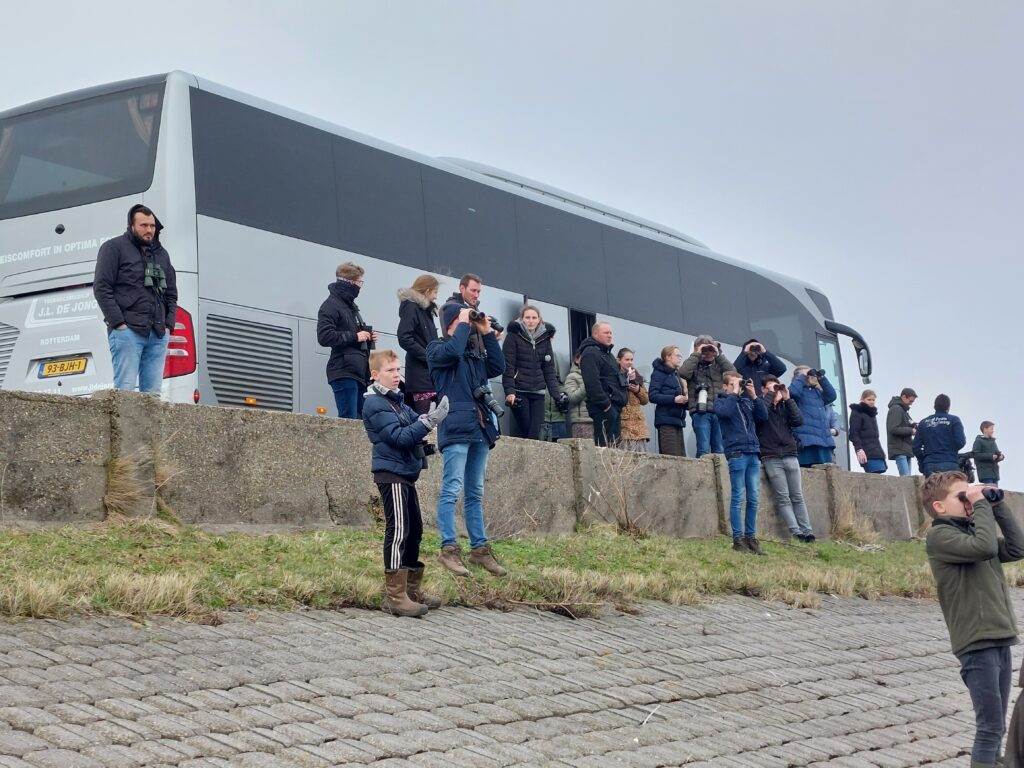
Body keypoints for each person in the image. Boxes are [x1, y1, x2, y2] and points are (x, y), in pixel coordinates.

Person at [923, 472, 1024, 768]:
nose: (970, 500)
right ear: (939, 507)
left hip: (998, 637)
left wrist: (998, 504)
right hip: (976, 643)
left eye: (970, 494)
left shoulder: (973, 533)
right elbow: (985, 547)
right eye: (962, 496)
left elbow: (1018, 548)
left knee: (998, 726)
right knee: (990, 727)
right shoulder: (941, 537)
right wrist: (980, 504)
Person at [361, 349, 450, 617]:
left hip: (405, 473)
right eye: (390, 370)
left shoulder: (397, 401)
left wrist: (426, 422)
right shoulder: (375, 403)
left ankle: (411, 590)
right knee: (399, 530)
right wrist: (428, 421)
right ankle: (395, 596)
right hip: (391, 474)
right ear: (375, 375)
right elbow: (399, 437)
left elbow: (415, 428)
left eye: (398, 370)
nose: (397, 375)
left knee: (414, 531)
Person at [427, 301, 507, 577]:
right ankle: (448, 549)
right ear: (452, 322)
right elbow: (452, 351)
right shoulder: (437, 348)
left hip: (480, 426)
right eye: (463, 322)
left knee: (475, 491)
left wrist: (486, 333)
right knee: (452, 488)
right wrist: (462, 321)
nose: (468, 326)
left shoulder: (474, 352)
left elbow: (497, 366)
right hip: (456, 426)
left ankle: (479, 550)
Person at [93, 204, 178, 394]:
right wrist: (118, 323)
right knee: (125, 391)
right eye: (143, 225)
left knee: (153, 394)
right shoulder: (113, 248)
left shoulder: (162, 255)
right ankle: (123, 426)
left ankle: (149, 426)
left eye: (152, 226)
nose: (149, 230)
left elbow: (171, 294)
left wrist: (168, 325)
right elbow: (101, 287)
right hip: (127, 331)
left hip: (157, 333)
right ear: (131, 226)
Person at [757, 374, 815, 543]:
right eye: (771, 388)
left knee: (797, 496)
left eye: (777, 388)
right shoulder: (760, 405)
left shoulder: (785, 406)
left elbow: (798, 421)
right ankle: (796, 532)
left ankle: (808, 531)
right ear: (763, 390)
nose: (776, 391)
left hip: (790, 454)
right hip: (771, 456)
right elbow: (760, 417)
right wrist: (770, 396)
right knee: (783, 497)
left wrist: (788, 399)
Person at [716, 372, 768, 554]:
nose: (736, 387)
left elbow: (763, 417)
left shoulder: (746, 402)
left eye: (738, 383)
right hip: (737, 452)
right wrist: (733, 393)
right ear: (725, 386)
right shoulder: (721, 401)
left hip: (753, 452)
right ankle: (738, 539)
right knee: (738, 496)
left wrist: (754, 395)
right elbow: (725, 413)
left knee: (753, 498)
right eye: (732, 384)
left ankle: (751, 538)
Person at [317, 262, 377, 419]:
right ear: (349, 283)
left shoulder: (349, 306)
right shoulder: (330, 305)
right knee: (349, 420)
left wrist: (366, 337)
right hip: (344, 370)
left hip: (357, 371)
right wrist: (356, 336)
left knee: (361, 421)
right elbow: (324, 337)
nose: (360, 286)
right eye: (359, 282)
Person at [502, 305, 566, 440]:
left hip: (538, 393)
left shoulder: (545, 339)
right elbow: (508, 366)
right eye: (527, 317)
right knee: (526, 429)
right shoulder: (513, 336)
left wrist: (557, 396)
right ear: (522, 319)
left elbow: (549, 370)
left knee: (535, 432)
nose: (530, 320)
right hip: (519, 391)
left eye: (534, 318)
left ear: (539, 320)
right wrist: (510, 391)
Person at [679, 335, 735, 457]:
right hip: (700, 412)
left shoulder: (718, 364)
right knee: (703, 448)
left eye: (711, 350)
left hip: (718, 411)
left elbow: (733, 373)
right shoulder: (694, 364)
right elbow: (683, 372)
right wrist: (697, 354)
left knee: (719, 449)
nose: (709, 353)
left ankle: (719, 476)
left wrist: (719, 354)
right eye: (706, 350)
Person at [397, 274, 441, 415]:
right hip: (420, 376)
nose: (436, 297)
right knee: (425, 418)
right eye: (435, 292)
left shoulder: (425, 310)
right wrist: (427, 356)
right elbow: (404, 337)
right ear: (427, 291)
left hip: (429, 374)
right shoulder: (412, 308)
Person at [578, 322, 628, 447]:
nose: (610, 336)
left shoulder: (608, 355)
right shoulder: (590, 353)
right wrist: (606, 405)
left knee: (614, 448)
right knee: (604, 447)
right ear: (595, 334)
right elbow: (592, 382)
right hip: (604, 408)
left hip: (614, 408)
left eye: (611, 333)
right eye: (606, 333)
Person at [789, 366, 837, 468]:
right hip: (806, 441)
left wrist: (821, 378)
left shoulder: (817, 392)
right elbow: (792, 392)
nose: (810, 376)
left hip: (822, 441)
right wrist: (802, 377)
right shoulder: (798, 391)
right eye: (807, 375)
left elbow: (832, 396)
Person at [649, 345, 688, 456]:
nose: (680, 358)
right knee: (671, 457)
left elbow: (679, 396)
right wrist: (674, 399)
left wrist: (686, 402)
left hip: (678, 422)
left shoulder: (676, 375)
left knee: (681, 458)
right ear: (668, 357)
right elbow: (652, 396)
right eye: (677, 355)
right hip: (666, 421)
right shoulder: (659, 373)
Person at [913, 394, 966, 476]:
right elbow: (961, 442)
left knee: (932, 489)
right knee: (949, 489)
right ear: (948, 407)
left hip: (930, 464)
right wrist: (950, 451)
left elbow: (916, 447)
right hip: (949, 462)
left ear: (934, 406)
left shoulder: (923, 423)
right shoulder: (954, 420)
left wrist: (922, 460)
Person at [616, 348, 650, 452]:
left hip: (638, 425)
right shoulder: (614, 375)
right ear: (619, 360)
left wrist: (638, 389)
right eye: (627, 360)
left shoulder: (638, 376)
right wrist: (626, 380)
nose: (630, 362)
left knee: (640, 458)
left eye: (631, 359)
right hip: (624, 424)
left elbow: (645, 400)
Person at [848, 389, 887, 474]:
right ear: (862, 399)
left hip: (877, 451)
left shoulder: (872, 414)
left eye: (873, 400)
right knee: (873, 475)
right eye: (869, 399)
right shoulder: (857, 412)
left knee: (879, 474)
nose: (872, 402)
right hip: (866, 452)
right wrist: (859, 449)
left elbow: (875, 437)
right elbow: (854, 433)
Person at [886, 387, 918, 477]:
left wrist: (913, 425)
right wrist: (911, 430)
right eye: (910, 401)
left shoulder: (903, 410)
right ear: (904, 397)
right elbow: (893, 429)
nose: (911, 404)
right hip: (899, 449)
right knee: (906, 479)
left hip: (905, 448)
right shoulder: (896, 409)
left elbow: (902, 425)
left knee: (908, 479)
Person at [563, 352, 593, 440]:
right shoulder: (572, 376)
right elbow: (571, 397)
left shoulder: (595, 375)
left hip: (595, 419)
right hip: (580, 421)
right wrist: (587, 384)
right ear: (577, 359)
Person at [541, 356, 568, 442]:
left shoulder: (559, 384)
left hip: (558, 420)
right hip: (543, 420)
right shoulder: (537, 381)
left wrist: (565, 397)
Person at [974, 422, 1005, 487]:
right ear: (985, 429)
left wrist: (1001, 457)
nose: (993, 431)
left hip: (994, 473)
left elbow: (997, 453)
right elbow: (976, 455)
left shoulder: (993, 442)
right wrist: (990, 456)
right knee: (991, 492)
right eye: (991, 429)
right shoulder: (978, 441)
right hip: (985, 472)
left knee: (996, 492)